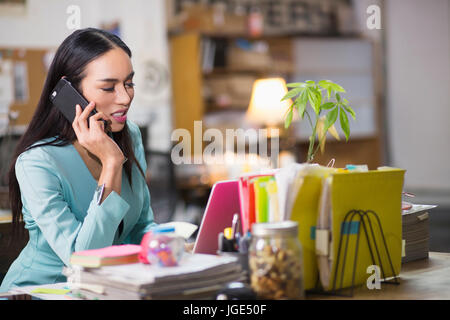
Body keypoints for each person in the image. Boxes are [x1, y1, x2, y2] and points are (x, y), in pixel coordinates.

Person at [0, 28, 157, 293]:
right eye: (109, 87)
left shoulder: (130, 135)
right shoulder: (37, 163)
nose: (125, 97)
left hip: (109, 289)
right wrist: (111, 164)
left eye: (129, 83)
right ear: (68, 90)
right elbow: (82, 257)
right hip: (41, 293)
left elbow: (141, 225)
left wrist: (167, 248)